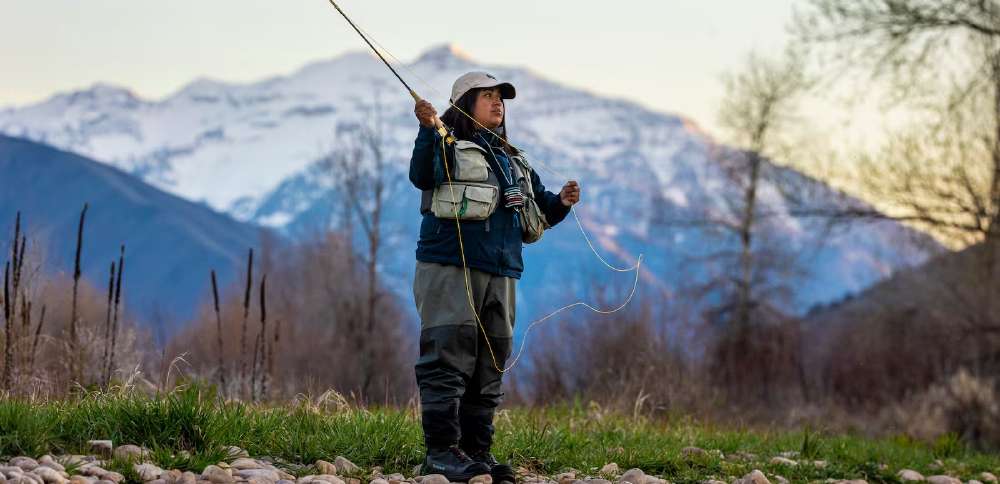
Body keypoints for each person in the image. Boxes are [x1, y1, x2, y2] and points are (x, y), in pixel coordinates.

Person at [408, 71, 581, 482]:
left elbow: (541, 209)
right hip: (450, 266)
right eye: (486, 96)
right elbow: (423, 176)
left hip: (503, 272)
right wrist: (425, 129)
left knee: (491, 362)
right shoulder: (444, 140)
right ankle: (441, 453)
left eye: (500, 98)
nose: (497, 103)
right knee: (448, 356)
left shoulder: (514, 159)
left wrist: (562, 203)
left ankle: (476, 454)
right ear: (465, 103)